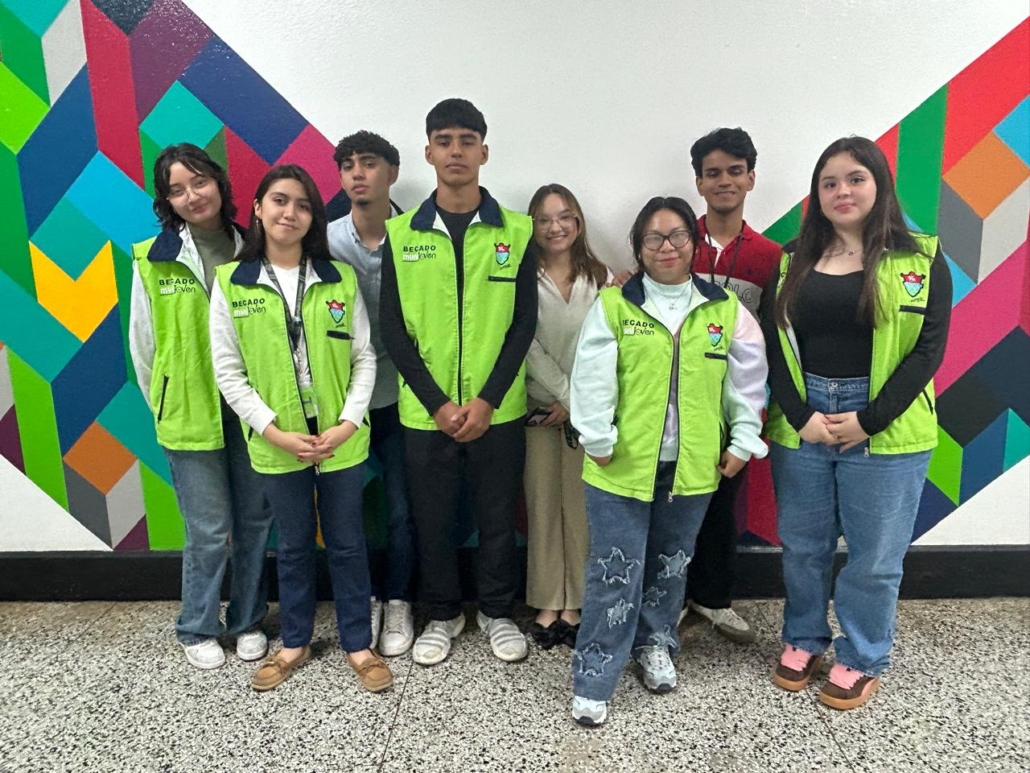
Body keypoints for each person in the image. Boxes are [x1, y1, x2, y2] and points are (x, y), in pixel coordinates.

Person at [763, 136, 951, 710]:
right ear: (816, 195)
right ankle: (803, 639)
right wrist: (802, 416)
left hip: (885, 426)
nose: (841, 191)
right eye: (829, 183)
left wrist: (869, 420)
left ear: (879, 184)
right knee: (803, 547)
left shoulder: (920, 257)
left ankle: (863, 655)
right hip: (805, 423)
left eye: (855, 178)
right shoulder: (791, 260)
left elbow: (928, 350)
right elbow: (774, 346)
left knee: (874, 556)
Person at [569, 196, 768, 726]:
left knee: (670, 565)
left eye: (678, 235)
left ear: (693, 242)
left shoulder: (724, 310)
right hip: (620, 465)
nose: (666, 247)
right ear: (638, 247)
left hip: (693, 467)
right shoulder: (616, 305)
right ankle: (594, 674)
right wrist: (596, 435)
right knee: (615, 570)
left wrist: (742, 441)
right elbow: (590, 377)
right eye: (653, 238)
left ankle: (655, 644)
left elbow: (747, 383)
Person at [209, 164, 393, 693]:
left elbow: (364, 357)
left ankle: (358, 643)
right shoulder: (232, 283)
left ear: (313, 218)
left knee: (348, 543)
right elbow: (229, 371)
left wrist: (348, 422)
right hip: (278, 443)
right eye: (280, 200)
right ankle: (294, 641)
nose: (290, 212)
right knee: (291, 545)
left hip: (340, 440)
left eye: (303, 204)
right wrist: (273, 432)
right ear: (258, 209)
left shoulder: (338, 278)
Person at [380, 98, 537, 666]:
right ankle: (442, 613)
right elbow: (393, 328)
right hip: (427, 414)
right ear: (428, 152)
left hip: (500, 410)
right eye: (444, 140)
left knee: (497, 518)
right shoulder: (402, 234)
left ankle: (496, 611)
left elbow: (523, 324)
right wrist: (439, 404)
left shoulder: (517, 231)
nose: (455, 151)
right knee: (433, 521)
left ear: (484, 152)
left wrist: (488, 400)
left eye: (467, 140)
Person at [129, 143, 273, 670]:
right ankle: (196, 625)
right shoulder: (154, 258)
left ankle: (248, 620)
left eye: (199, 182)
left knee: (255, 522)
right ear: (166, 201)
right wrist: (165, 403)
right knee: (209, 530)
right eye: (177, 190)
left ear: (218, 182)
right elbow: (143, 345)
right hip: (189, 414)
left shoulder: (253, 248)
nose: (192, 196)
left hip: (252, 410)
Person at [680, 128, 785, 644]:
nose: (724, 181)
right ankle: (670, 599)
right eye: (713, 173)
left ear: (751, 178)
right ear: (699, 182)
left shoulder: (771, 257)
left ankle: (715, 599)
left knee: (724, 506)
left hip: (736, 405)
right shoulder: (677, 245)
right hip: (678, 401)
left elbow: (774, 340)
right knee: (673, 506)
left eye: (735, 171)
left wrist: (755, 413)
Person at [328, 131, 416, 657]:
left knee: (403, 509)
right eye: (348, 165)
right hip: (343, 402)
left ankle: (399, 599)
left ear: (392, 172)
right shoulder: (324, 240)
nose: (357, 173)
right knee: (349, 511)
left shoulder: (417, 236)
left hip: (405, 398)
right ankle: (363, 599)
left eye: (369, 163)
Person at [524, 184, 610, 650]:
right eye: (544, 219)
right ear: (532, 226)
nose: (555, 227)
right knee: (542, 504)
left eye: (564, 217)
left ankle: (576, 600)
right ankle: (546, 600)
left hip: (587, 413)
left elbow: (606, 346)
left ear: (577, 222)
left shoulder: (602, 277)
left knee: (580, 508)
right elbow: (526, 344)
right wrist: (563, 396)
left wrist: (576, 403)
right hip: (537, 409)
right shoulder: (521, 277)